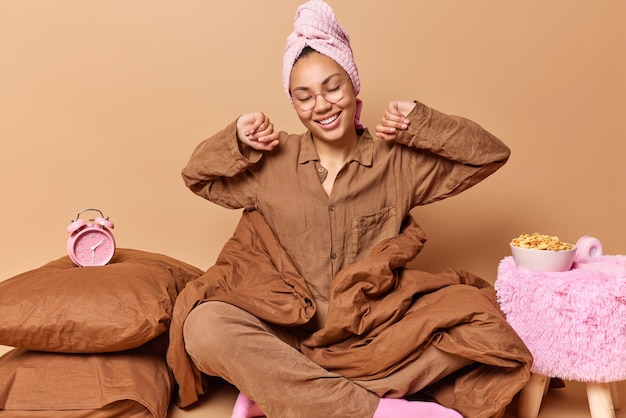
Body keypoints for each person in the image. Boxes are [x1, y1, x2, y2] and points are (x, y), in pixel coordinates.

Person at [169, 1, 533, 417]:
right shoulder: (271, 160)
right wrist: (235, 138)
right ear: (293, 103)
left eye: (332, 88)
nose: (321, 105)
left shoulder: (396, 161)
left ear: (353, 84)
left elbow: (489, 155)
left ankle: (283, 390)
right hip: (287, 330)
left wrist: (423, 121)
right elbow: (198, 177)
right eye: (304, 97)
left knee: (481, 324)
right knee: (204, 326)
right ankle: (381, 411)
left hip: (374, 335)